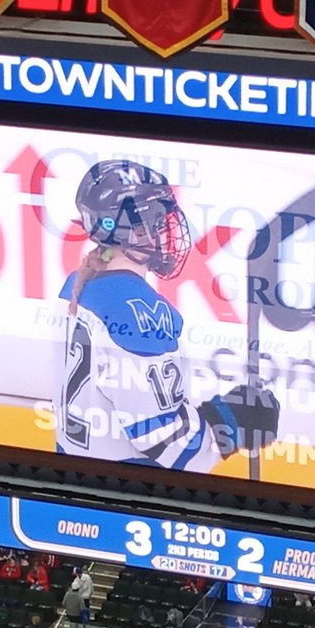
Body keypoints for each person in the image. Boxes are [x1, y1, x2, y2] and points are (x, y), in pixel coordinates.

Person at [53, 160, 280, 470]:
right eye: (159, 221)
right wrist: (232, 424)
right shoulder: (140, 313)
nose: (166, 231)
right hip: (126, 497)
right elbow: (167, 443)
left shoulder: (78, 287)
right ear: (136, 231)